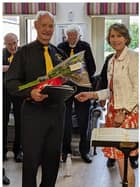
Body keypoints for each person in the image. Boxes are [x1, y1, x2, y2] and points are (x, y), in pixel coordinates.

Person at [6, 11, 67, 187]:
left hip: (56, 114)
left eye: (51, 26)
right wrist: (29, 93)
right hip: (33, 115)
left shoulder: (59, 54)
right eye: (44, 25)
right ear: (36, 26)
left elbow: (64, 81)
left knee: (52, 162)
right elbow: (10, 82)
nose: (47, 30)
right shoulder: (23, 53)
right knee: (31, 162)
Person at [75, 23, 138, 187]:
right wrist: (90, 95)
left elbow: (137, 91)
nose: (115, 39)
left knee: (124, 159)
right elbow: (111, 91)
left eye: (119, 35)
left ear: (126, 38)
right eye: (112, 36)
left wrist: (123, 112)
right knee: (119, 158)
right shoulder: (111, 60)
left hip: (127, 113)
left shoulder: (133, 57)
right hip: (113, 112)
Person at [58, 24, 96, 163]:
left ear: (79, 35)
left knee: (83, 120)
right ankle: (65, 151)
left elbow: (92, 67)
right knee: (65, 120)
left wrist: (78, 72)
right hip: (65, 88)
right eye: (69, 35)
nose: (72, 38)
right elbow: (57, 67)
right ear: (66, 36)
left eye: (74, 35)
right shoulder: (60, 47)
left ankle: (84, 151)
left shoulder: (85, 46)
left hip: (82, 88)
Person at [3, 33, 23, 162]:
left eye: (14, 43)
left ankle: (18, 151)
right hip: (3, 91)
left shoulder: (23, 53)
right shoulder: (1, 53)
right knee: (2, 121)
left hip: (19, 91)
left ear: (18, 41)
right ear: (5, 44)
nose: (12, 46)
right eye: (9, 44)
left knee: (20, 122)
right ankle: (2, 152)